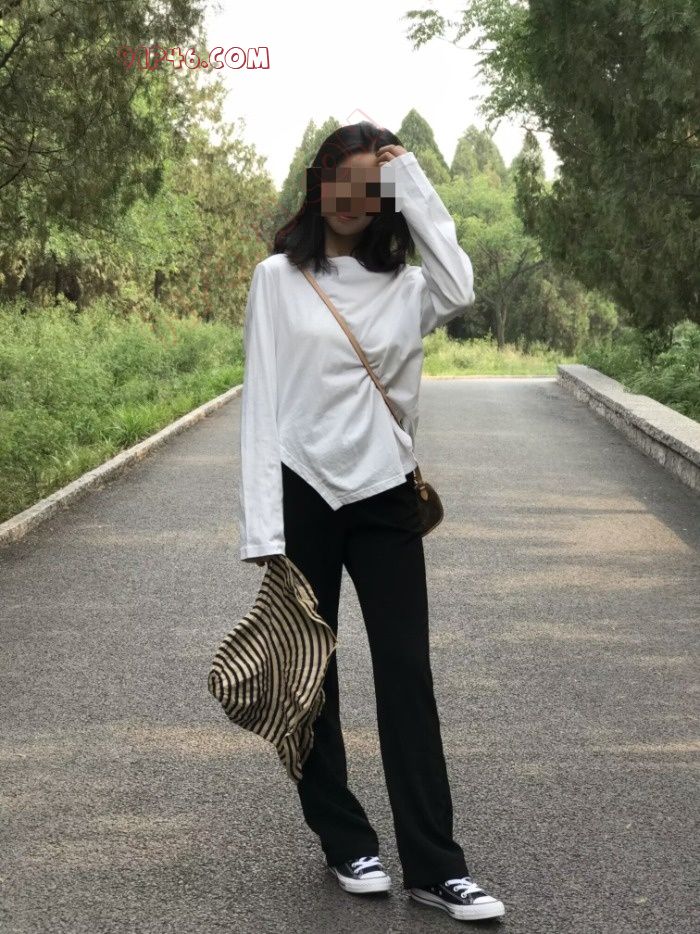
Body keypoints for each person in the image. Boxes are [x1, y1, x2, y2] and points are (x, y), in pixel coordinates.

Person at [237, 121, 505, 923]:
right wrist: (264, 531)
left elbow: (461, 285)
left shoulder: (407, 286)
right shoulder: (278, 279)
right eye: (342, 179)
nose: (354, 198)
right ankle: (344, 838)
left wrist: (412, 179)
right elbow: (261, 404)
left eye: (371, 187)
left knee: (406, 672)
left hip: (386, 494)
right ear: (319, 182)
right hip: (304, 492)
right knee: (312, 671)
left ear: (385, 198)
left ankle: (436, 866)